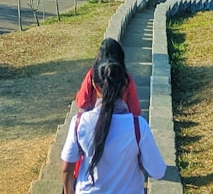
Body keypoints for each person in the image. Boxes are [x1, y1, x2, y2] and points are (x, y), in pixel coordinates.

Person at [62, 59, 165, 193]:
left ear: (95, 85)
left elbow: (66, 168)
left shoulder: (80, 122)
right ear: (125, 86)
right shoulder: (138, 126)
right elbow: (158, 172)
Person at [76, 38, 141, 115]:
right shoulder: (126, 79)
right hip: (121, 119)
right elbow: (135, 111)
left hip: (96, 117)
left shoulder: (92, 74)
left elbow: (82, 102)